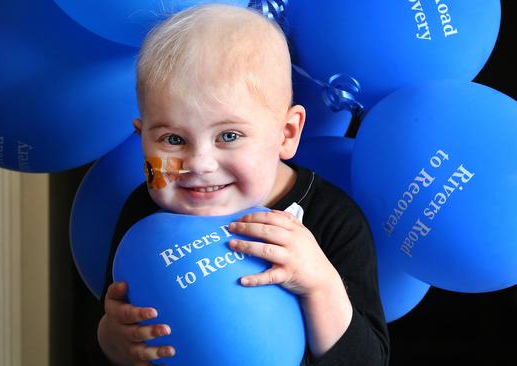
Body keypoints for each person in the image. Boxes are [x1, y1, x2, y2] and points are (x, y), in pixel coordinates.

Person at [94, 4, 389, 365]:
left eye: (228, 135)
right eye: (173, 139)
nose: (200, 164)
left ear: (286, 133)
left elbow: (369, 360)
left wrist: (319, 285)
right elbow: (114, 329)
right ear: (142, 139)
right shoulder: (143, 215)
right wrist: (112, 338)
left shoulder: (333, 220)